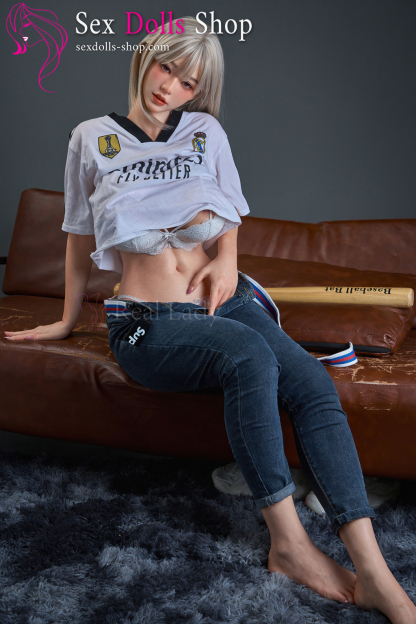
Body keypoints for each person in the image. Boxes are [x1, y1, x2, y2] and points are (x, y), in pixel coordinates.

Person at [4, 17, 416, 623]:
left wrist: (227, 262)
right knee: (248, 357)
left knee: (310, 383)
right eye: (165, 66)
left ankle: (374, 570)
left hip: (228, 302)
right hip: (149, 321)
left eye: (187, 82)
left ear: (199, 92)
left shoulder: (205, 133)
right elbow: (76, 236)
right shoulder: (91, 138)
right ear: (146, 57)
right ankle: (289, 545)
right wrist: (66, 321)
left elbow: (230, 213)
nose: (169, 86)